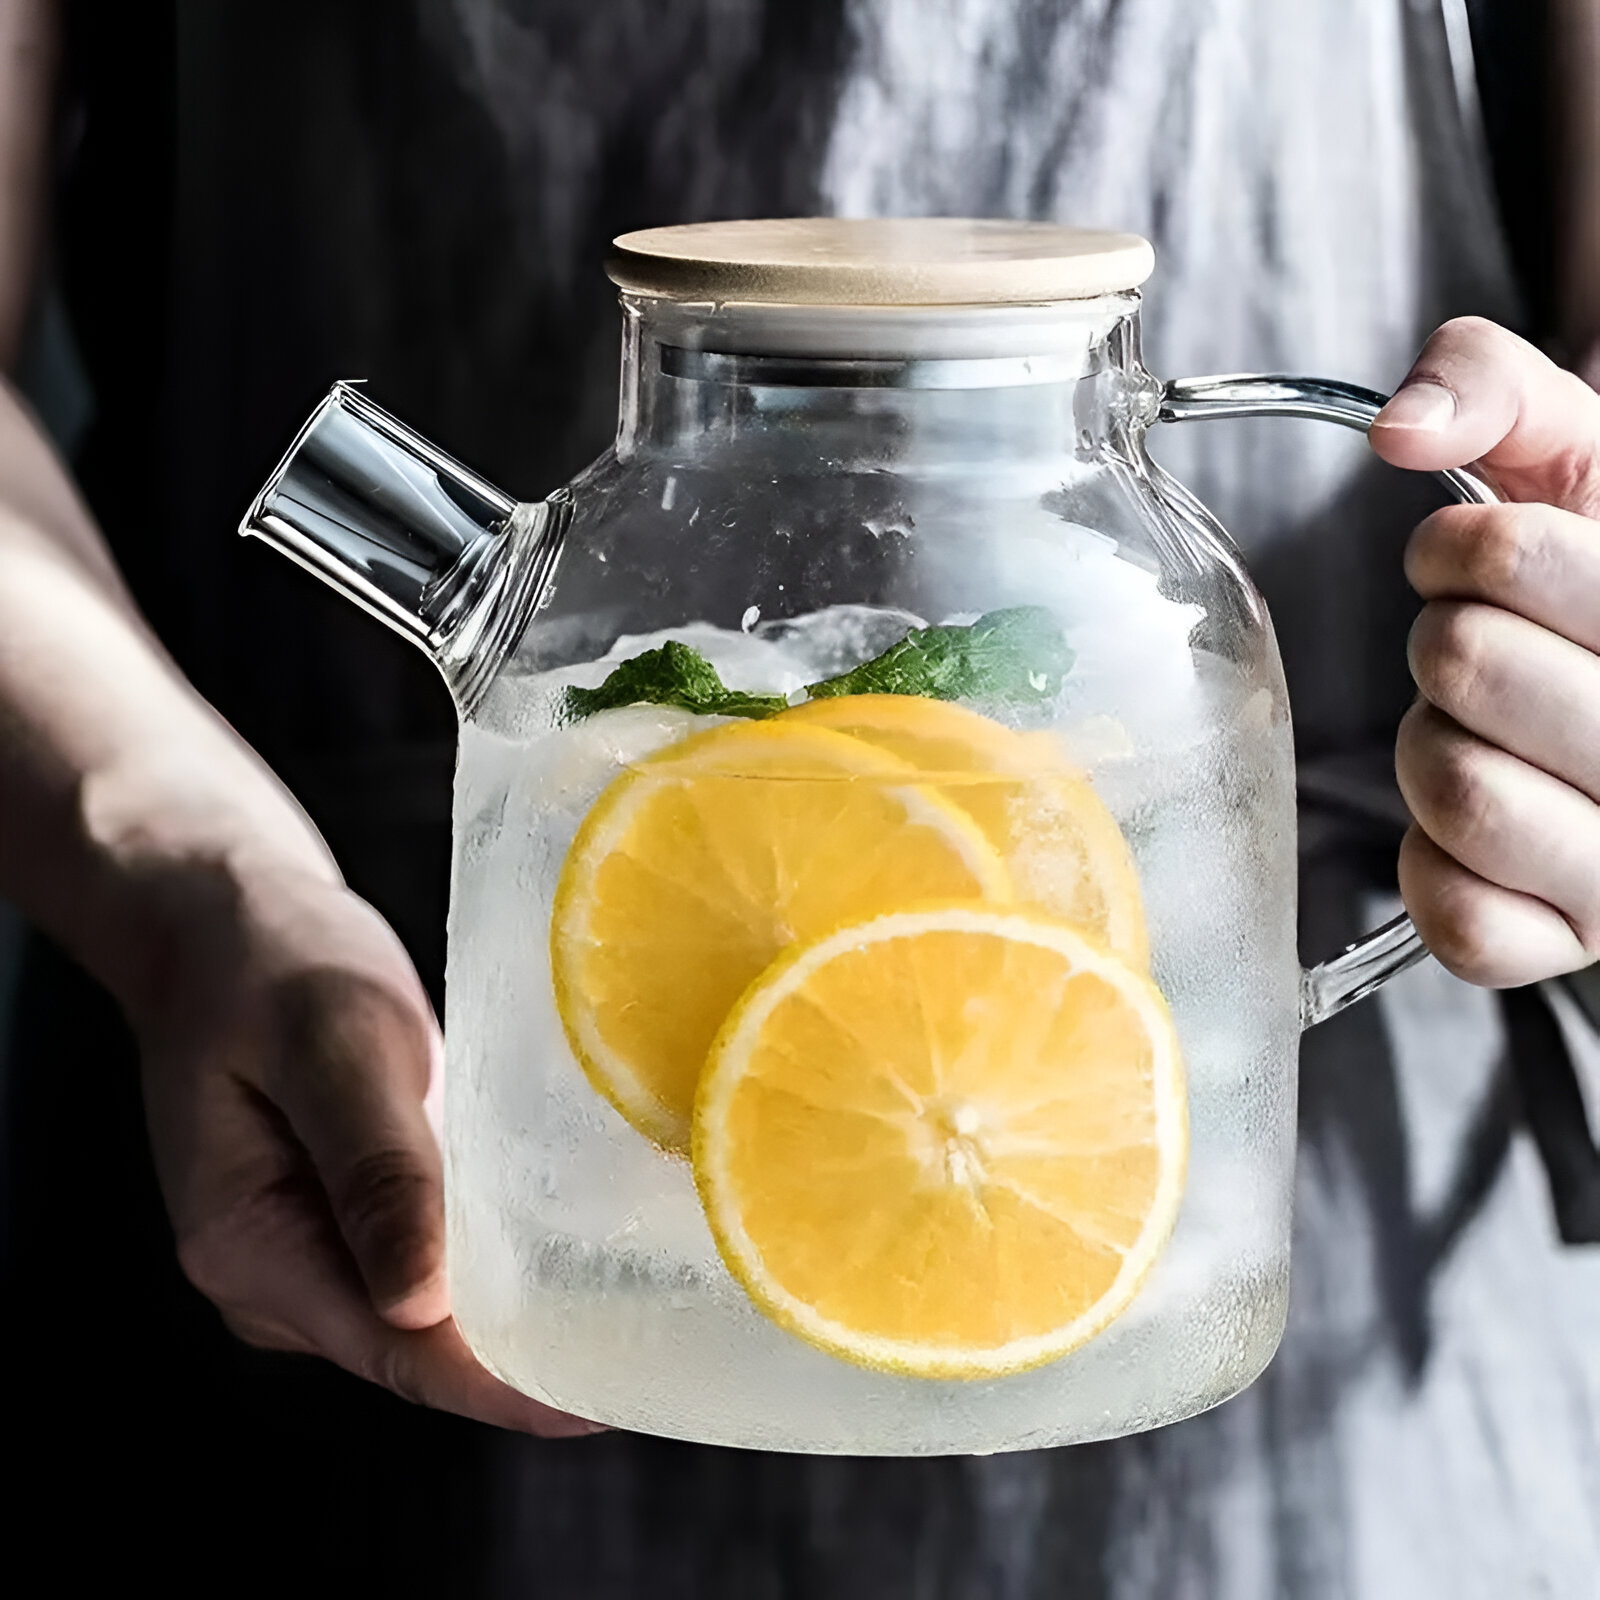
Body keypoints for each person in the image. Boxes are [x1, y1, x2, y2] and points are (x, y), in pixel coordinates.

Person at [2, 1, 1596, 1594]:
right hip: (340, 1128)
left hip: (1323, 1340)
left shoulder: (1147, 589)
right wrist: (185, 869)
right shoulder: (574, 592)